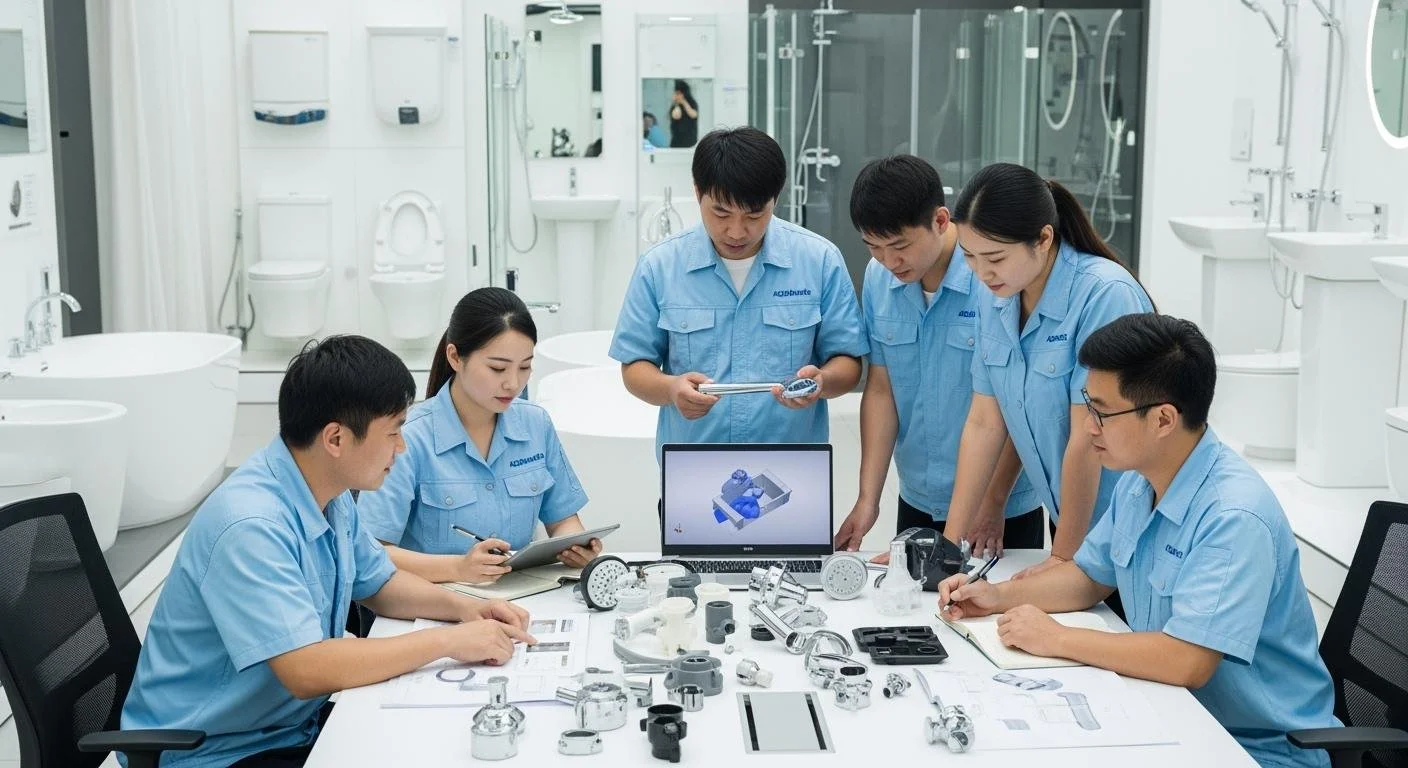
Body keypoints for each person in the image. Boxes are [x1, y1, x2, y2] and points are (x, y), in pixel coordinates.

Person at [938, 314, 1339, 768]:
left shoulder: (1233, 517)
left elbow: (1187, 660)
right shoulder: (1141, 480)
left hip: (1255, 749)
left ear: (1163, 419)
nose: (1089, 427)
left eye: (1102, 413)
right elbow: (1089, 578)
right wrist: (996, 597)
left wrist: (1057, 637)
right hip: (1171, 714)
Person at [120, 335, 535, 768]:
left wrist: (466, 609)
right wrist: (448, 641)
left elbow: (379, 583)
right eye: (393, 432)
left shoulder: (328, 492)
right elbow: (306, 669)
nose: (401, 448)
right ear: (335, 438)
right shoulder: (251, 525)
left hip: (288, 726)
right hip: (216, 751)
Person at [940, 162, 1153, 584]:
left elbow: (1087, 437)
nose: (982, 273)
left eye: (995, 258)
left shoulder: (1104, 295)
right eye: (969, 257)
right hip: (1069, 519)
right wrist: (947, 549)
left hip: (1129, 529)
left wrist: (1062, 561)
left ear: (1043, 239)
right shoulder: (994, 295)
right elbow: (985, 423)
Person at [609, 126, 868, 457]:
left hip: (790, 464)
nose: (736, 231)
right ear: (697, 192)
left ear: (776, 198)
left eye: (754, 215)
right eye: (720, 212)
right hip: (694, 463)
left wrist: (823, 382)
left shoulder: (819, 260)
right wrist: (671, 388)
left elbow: (849, 361)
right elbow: (634, 366)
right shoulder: (659, 266)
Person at [833, 156, 1042, 554]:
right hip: (919, 496)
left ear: (941, 221)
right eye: (874, 247)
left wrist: (994, 499)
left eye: (900, 246)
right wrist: (868, 499)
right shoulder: (880, 278)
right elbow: (882, 390)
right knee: (912, 593)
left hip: (997, 510)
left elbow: (1017, 403)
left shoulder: (993, 280)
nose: (889, 262)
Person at [358, 288, 598, 586]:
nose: (513, 383)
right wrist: (459, 568)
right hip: (435, 601)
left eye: (525, 366)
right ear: (455, 357)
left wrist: (575, 547)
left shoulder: (536, 424)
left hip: (524, 596)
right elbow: (371, 552)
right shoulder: (410, 438)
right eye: (498, 368)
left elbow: (563, 519)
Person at [669, 79, 699, 148]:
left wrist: (684, 102)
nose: (678, 96)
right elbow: (676, 116)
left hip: (690, 140)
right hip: (676, 141)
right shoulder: (674, 106)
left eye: (679, 93)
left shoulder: (692, 103)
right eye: (676, 93)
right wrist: (676, 103)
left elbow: (694, 115)